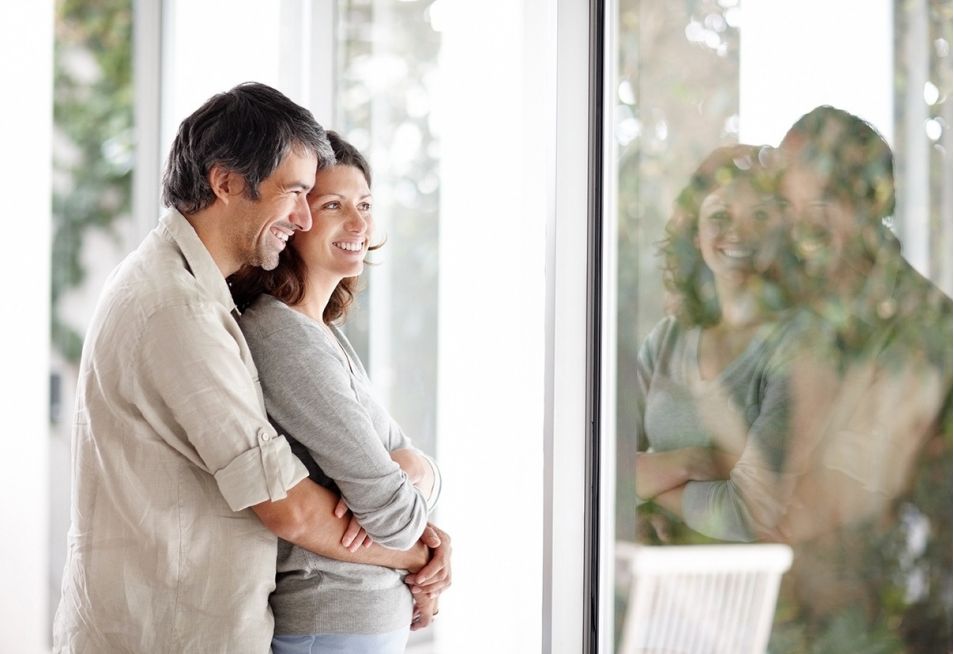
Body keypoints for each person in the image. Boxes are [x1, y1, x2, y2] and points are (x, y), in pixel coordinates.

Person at [53, 82, 450, 654]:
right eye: (296, 193)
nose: (301, 217)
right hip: (163, 633)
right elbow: (286, 504)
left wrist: (419, 495)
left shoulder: (197, 296)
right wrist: (422, 554)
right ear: (226, 182)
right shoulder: (177, 308)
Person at [230, 132, 442, 653]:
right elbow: (393, 516)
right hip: (331, 622)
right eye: (334, 205)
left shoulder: (322, 332)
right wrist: (421, 539)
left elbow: (407, 479)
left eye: (365, 205)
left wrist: (414, 466)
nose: (358, 223)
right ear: (296, 219)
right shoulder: (283, 337)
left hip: (352, 623)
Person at [769, 105, 952, 649]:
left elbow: (833, 504)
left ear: (869, 208)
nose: (800, 232)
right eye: (787, 208)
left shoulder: (921, 334)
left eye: (820, 208)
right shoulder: (802, 326)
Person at [632, 144, 805, 543]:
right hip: (657, 589)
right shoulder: (668, 338)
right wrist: (695, 462)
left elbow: (750, 513)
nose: (739, 232)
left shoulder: (793, 347)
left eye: (759, 216)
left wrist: (653, 492)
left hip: (754, 595)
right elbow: (599, 475)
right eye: (720, 215)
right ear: (695, 233)